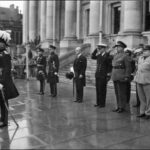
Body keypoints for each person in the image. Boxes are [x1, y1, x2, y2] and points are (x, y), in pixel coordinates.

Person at [0, 30, 19, 128]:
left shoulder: (5, 54)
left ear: (4, 44)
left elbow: (6, 70)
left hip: (4, 82)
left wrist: (2, 82)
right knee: (1, 101)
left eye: (1, 43)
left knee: (4, 101)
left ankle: (5, 121)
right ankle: (2, 117)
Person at [111, 41, 132, 113]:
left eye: (119, 47)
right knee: (117, 93)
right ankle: (118, 106)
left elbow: (128, 67)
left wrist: (127, 76)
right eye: (117, 47)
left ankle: (122, 107)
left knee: (122, 93)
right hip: (115, 75)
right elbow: (113, 65)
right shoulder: (115, 55)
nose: (117, 48)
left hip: (121, 75)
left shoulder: (125, 56)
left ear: (122, 48)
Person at [91, 43, 112, 108]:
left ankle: (102, 104)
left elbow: (109, 66)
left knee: (102, 89)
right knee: (98, 89)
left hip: (103, 75)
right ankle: (98, 102)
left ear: (104, 49)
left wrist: (108, 75)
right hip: (98, 74)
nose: (99, 50)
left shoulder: (107, 56)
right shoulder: (99, 55)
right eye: (99, 49)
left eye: (100, 48)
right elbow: (92, 56)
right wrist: (95, 50)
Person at [134, 45, 150, 119]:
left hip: (147, 81)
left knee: (149, 98)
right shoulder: (140, 58)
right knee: (141, 98)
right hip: (139, 79)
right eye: (143, 50)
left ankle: (148, 113)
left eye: (146, 51)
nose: (144, 52)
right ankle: (142, 112)